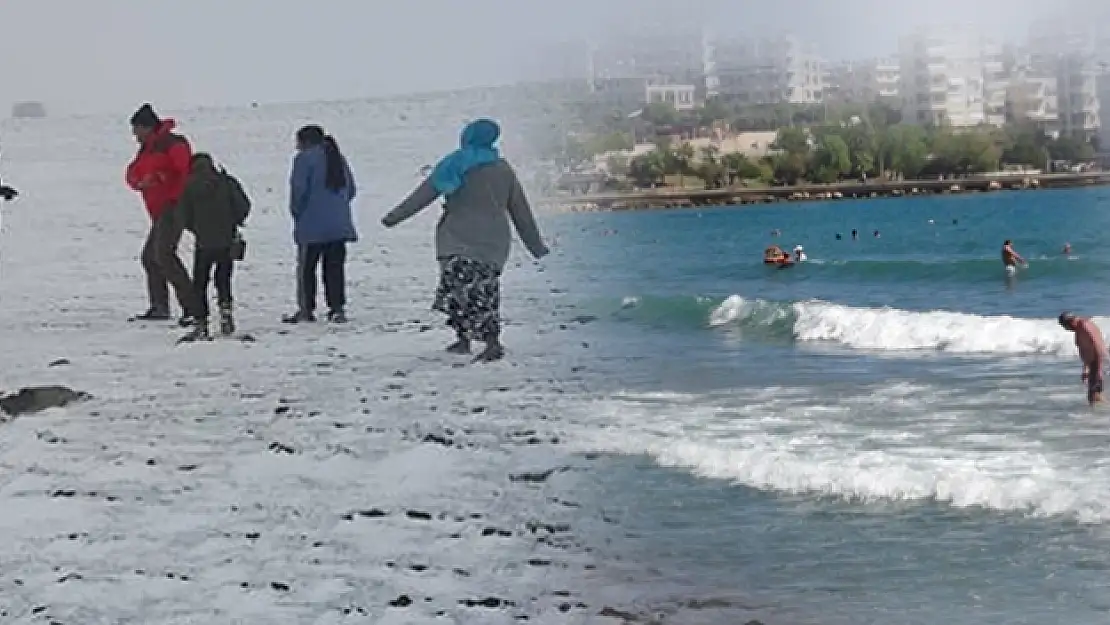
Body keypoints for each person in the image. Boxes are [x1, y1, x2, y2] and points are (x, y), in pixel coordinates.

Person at [381, 118, 549, 362]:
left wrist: (392, 218)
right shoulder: (503, 169)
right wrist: (536, 246)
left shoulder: (454, 164)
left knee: (457, 288)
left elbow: (423, 196)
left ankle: (466, 339)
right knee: (485, 290)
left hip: (455, 237)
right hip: (493, 241)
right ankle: (489, 341)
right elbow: (519, 210)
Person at [125, 103, 197, 324]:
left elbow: (184, 171)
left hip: (174, 207)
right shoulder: (147, 148)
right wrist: (139, 182)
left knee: (163, 255)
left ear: (147, 127)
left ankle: (192, 308)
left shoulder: (174, 144)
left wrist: (160, 178)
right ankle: (160, 307)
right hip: (158, 212)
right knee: (152, 257)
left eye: (136, 130)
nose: (134, 135)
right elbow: (131, 173)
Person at [282, 126, 357, 324]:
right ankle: (337, 308)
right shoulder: (337, 157)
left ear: (305, 142)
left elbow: (299, 191)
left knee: (307, 269)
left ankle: (306, 309)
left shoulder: (303, 160)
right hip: (338, 223)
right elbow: (351, 189)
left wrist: (297, 213)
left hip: (312, 224)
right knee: (334, 268)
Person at [175, 154, 251, 342]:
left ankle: (201, 322)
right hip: (226, 239)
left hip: (204, 242)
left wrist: (197, 229)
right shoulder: (227, 182)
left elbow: (183, 215)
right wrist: (234, 222)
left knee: (200, 282)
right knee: (223, 279)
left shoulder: (189, 186)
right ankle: (226, 315)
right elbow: (243, 206)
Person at [1059, 311, 1107, 405]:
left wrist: (1099, 369)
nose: (1066, 329)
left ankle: (1102, 414)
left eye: (1065, 326)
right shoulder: (1078, 329)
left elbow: (1097, 347)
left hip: (1099, 362)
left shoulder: (1085, 326)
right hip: (1093, 364)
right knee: (1093, 397)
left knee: (1095, 396)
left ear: (1070, 322)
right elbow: (1085, 351)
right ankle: (1098, 416)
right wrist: (1085, 368)